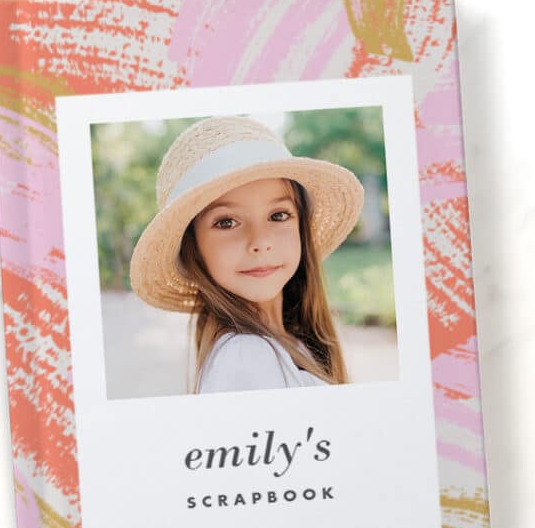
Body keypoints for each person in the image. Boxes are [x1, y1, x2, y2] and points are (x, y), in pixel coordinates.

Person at [129, 116, 364, 393]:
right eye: (226, 222)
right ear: (193, 249)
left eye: (278, 215)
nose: (261, 241)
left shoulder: (285, 343)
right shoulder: (245, 357)